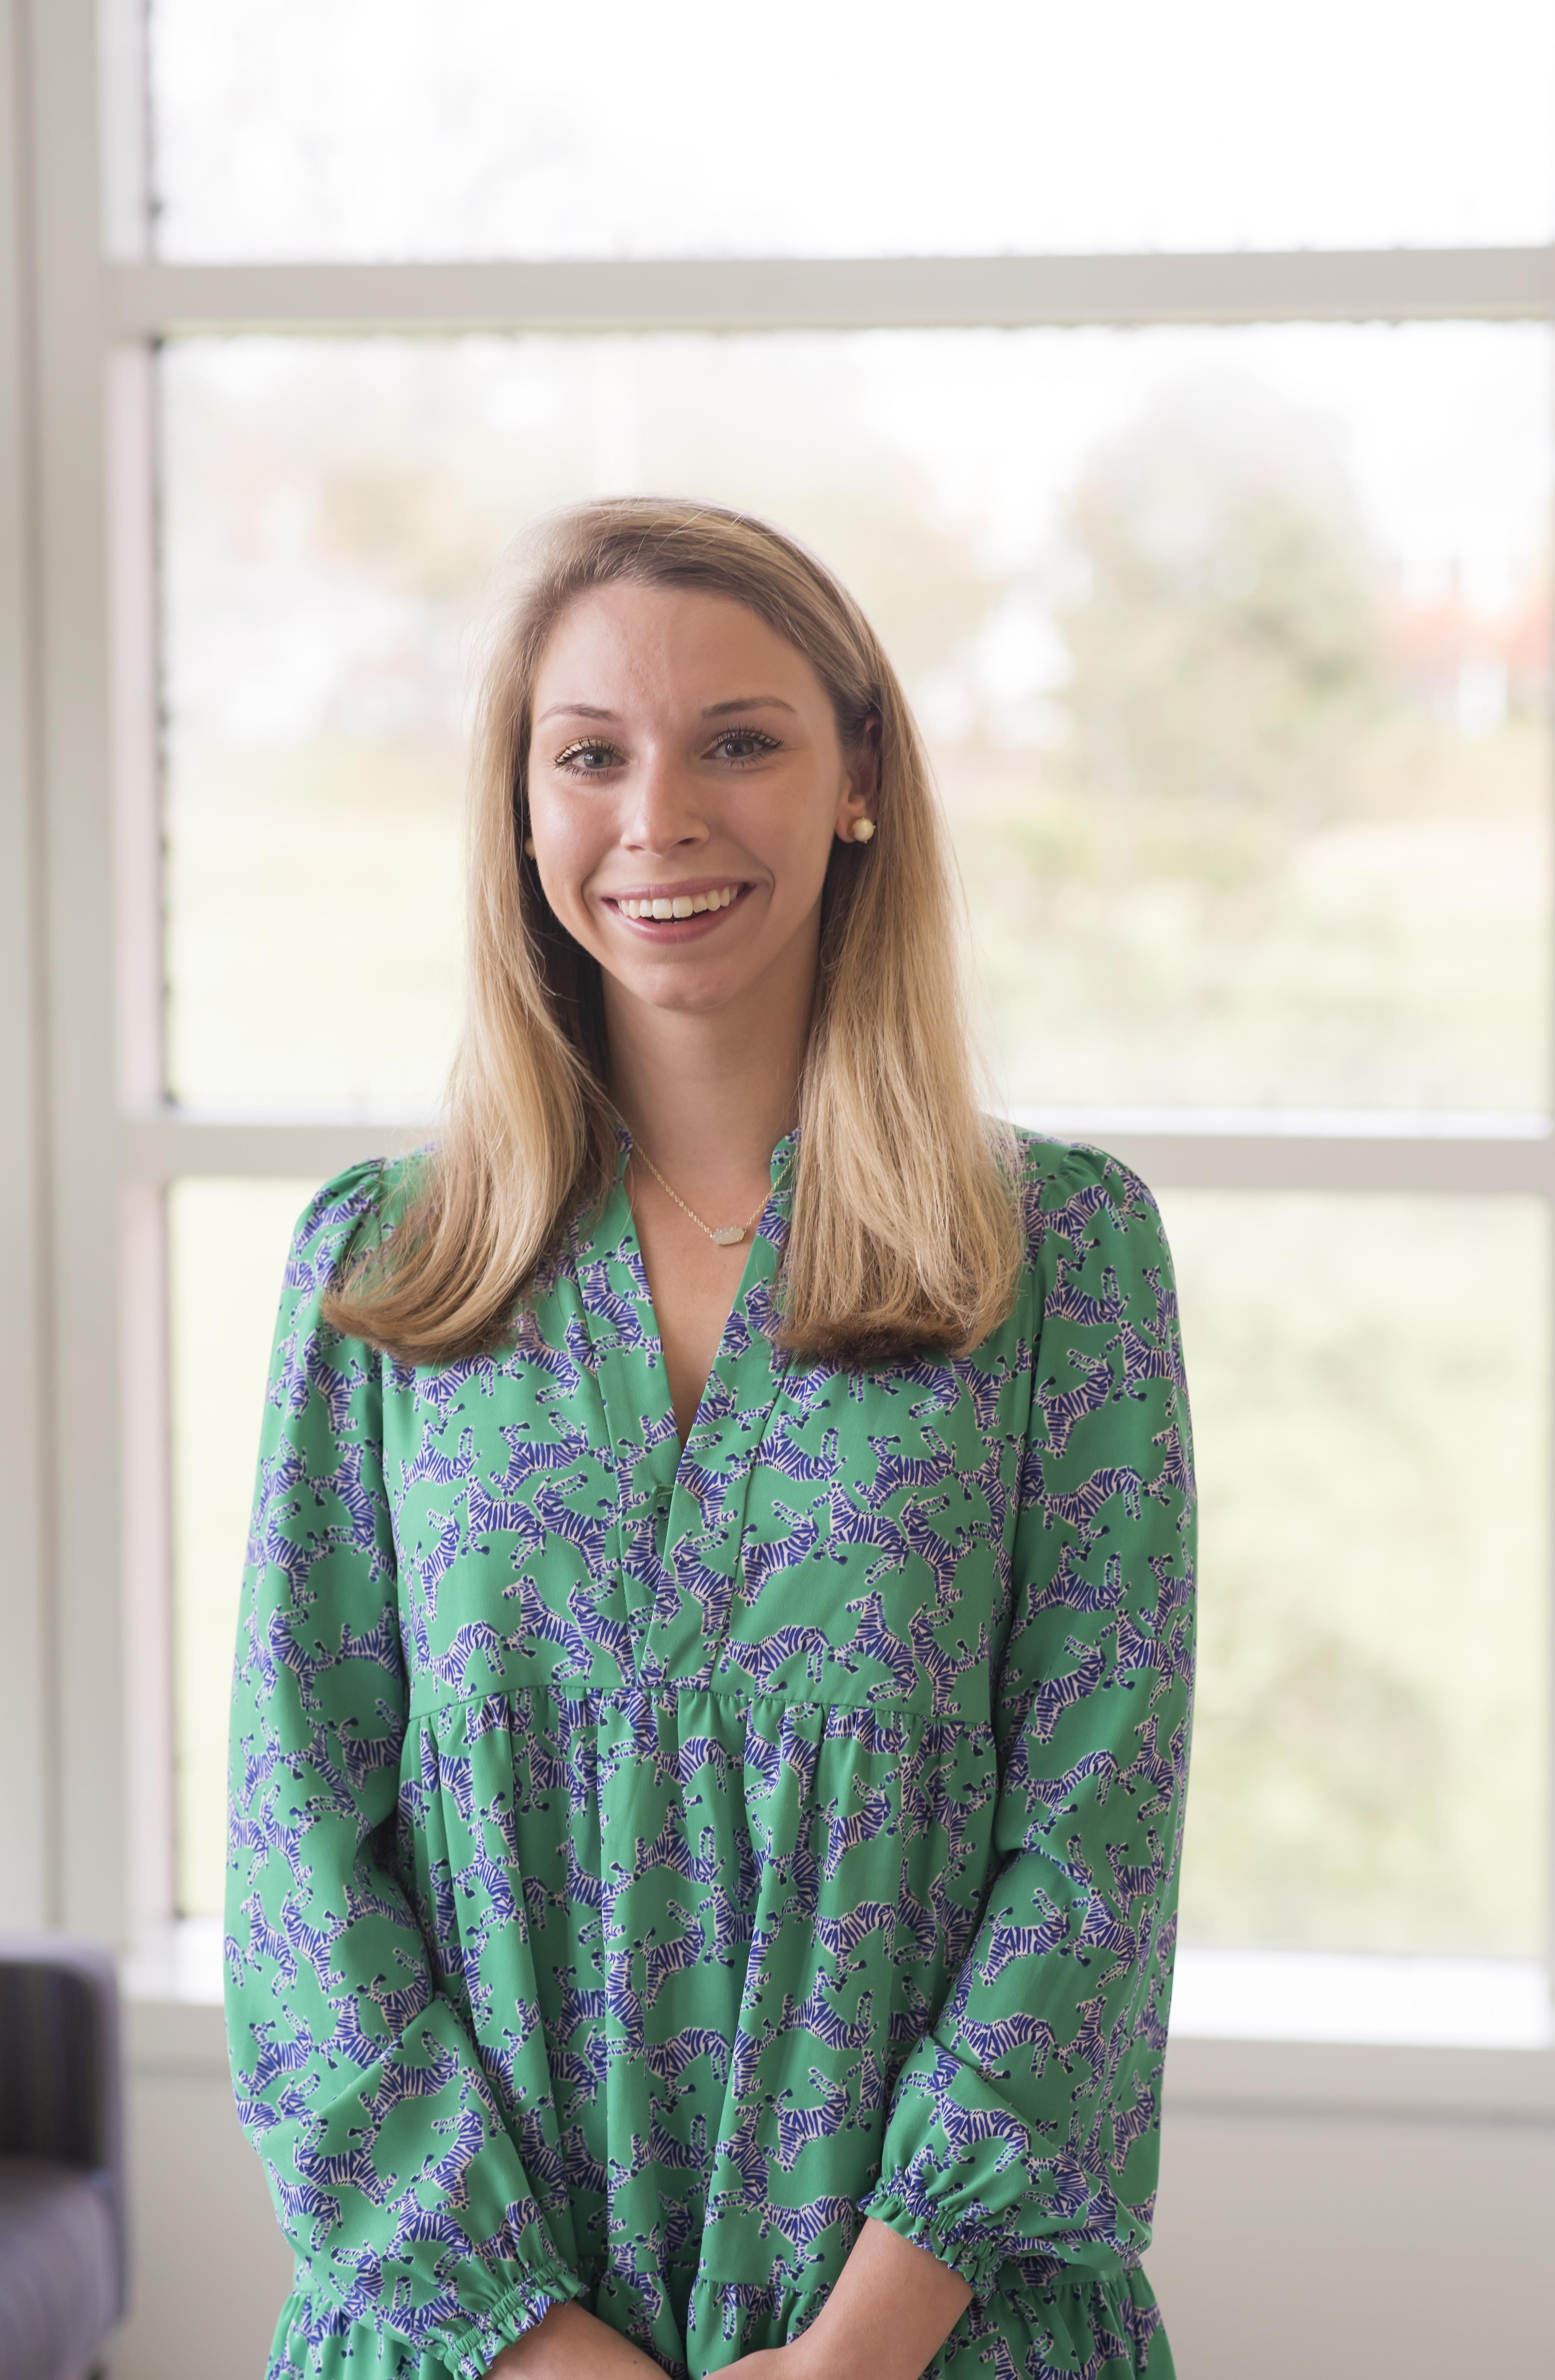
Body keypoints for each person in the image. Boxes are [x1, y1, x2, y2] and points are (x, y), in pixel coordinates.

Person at [225, 497, 1196, 2380]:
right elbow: (295, 1853)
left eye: (738, 741)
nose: (657, 817)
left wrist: (858, 2346)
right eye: (589, 755)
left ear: (856, 781)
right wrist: (529, 2343)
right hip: (461, 2341)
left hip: (933, 2342)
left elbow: (1100, 1837)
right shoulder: (387, 1267)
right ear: (521, 813)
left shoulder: (1059, 1256)